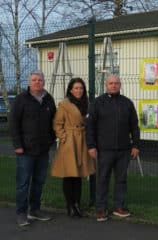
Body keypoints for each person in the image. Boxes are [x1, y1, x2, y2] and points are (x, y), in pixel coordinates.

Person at [86, 75, 140, 222]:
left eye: (116, 83)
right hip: (104, 150)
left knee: (121, 180)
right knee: (102, 179)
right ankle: (101, 209)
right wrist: (91, 146)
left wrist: (135, 145)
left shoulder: (127, 103)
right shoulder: (97, 103)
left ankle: (119, 207)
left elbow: (134, 126)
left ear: (120, 85)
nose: (114, 85)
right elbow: (90, 127)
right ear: (106, 85)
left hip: (124, 150)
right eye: (111, 83)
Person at [10, 70, 56, 226]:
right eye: (34, 80)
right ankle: (21, 213)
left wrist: (51, 141)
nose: (37, 82)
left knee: (39, 181)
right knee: (23, 182)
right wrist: (17, 145)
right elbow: (14, 123)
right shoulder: (21, 99)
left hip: (43, 150)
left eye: (40, 80)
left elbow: (53, 122)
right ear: (29, 82)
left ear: (44, 82)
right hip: (25, 150)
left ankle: (34, 210)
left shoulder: (49, 99)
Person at [51, 78, 96, 218]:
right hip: (70, 142)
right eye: (76, 88)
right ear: (70, 90)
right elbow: (57, 124)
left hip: (82, 140)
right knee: (69, 174)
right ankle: (70, 205)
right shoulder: (64, 105)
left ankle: (77, 204)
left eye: (81, 88)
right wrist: (64, 137)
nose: (79, 91)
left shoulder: (87, 104)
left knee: (79, 174)